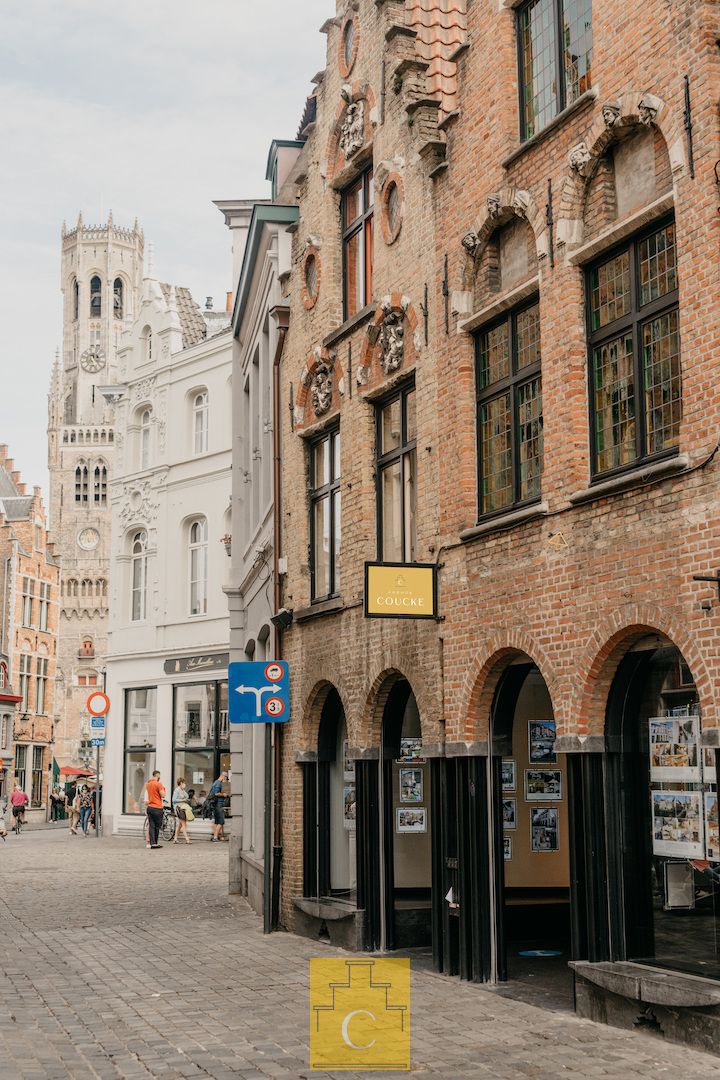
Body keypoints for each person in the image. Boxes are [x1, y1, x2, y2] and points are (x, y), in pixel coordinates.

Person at [145, 770, 165, 849]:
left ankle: (152, 843)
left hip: (150, 807)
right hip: (157, 807)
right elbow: (163, 795)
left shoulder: (148, 784)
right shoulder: (159, 784)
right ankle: (155, 843)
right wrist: (163, 788)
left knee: (151, 826)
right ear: (158, 775)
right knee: (157, 826)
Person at [208, 771, 228, 843]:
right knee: (221, 821)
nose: (226, 780)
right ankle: (215, 838)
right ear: (223, 776)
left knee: (216, 821)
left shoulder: (216, 782)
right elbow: (216, 793)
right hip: (218, 804)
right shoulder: (218, 783)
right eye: (226, 777)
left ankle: (214, 836)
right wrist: (224, 794)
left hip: (216, 804)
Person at [172, 777, 192, 844]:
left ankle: (175, 839)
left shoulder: (182, 790)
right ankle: (187, 839)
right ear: (181, 783)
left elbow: (187, 796)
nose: (184, 784)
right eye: (183, 783)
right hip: (178, 808)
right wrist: (182, 800)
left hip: (183, 808)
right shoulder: (176, 790)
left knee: (180, 825)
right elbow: (173, 800)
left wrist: (184, 794)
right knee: (183, 824)